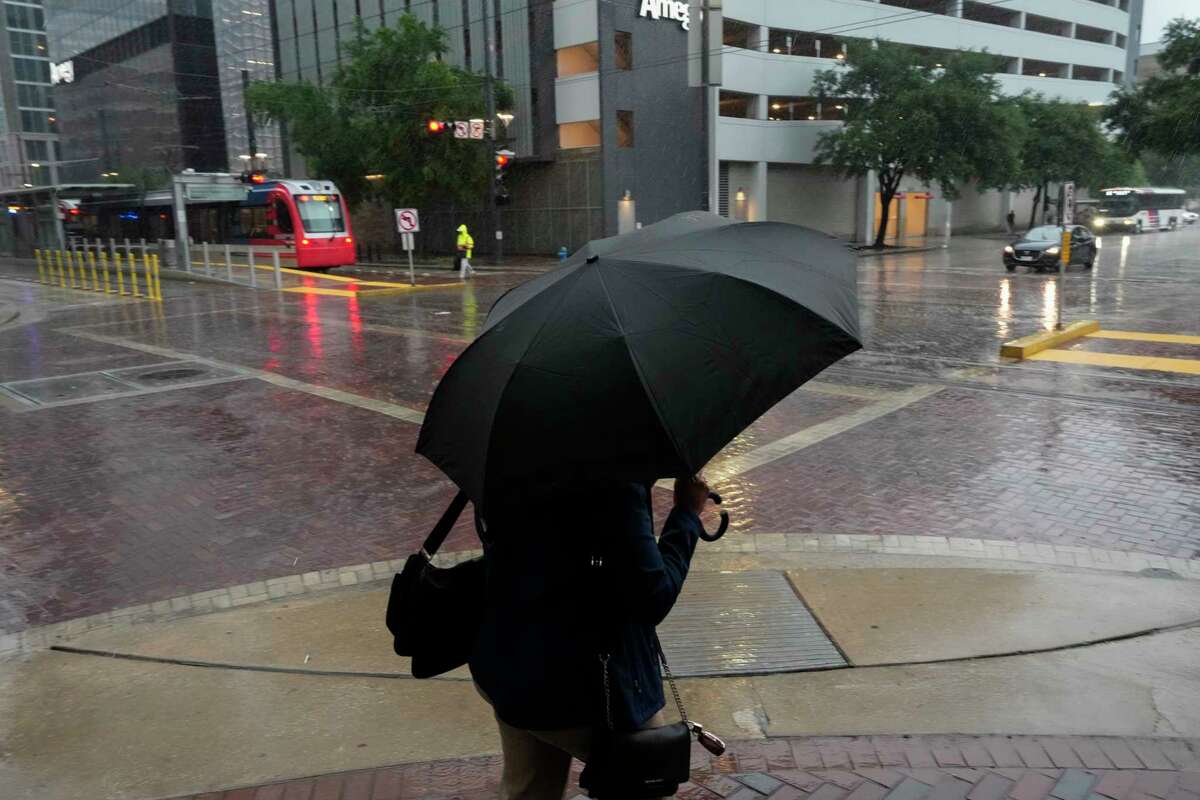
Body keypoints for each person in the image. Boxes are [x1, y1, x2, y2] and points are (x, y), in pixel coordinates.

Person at [470, 476, 710, 800]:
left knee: (529, 789)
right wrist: (687, 513)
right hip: (589, 687)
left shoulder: (506, 455)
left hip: (510, 662)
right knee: (648, 782)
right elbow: (653, 595)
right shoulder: (613, 479)